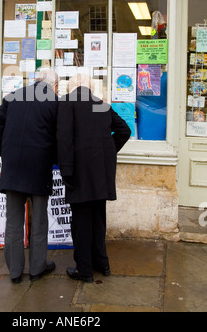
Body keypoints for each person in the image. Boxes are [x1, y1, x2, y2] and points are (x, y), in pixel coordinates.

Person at [57, 74, 131, 283]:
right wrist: (108, 152)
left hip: (78, 173)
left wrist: (66, 171)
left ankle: (85, 270)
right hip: (101, 173)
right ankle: (102, 264)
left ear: (72, 88)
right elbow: (124, 130)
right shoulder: (101, 105)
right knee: (98, 220)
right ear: (89, 88)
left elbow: (64, 140)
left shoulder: (67, 103)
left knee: (81, 223)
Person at [0, 68, 59, 283]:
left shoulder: (13, 97)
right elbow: (60, 133)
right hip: (39, 167)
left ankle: (15, 272)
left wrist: (4, 150)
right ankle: (37, 269)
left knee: (13, 222)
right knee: (39, 221)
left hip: (13, 167)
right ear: (52, 84)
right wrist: (54, 156)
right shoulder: (54, 101)